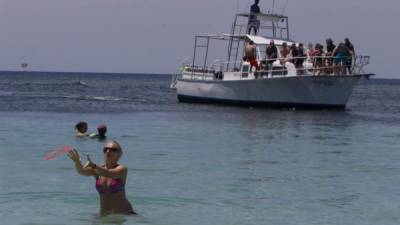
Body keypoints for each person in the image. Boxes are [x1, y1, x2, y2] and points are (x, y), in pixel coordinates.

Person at [67, 140, 136, 216]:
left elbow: (109, 173)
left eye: (113, 149)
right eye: (105, 149)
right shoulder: (98, 169)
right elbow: (81, 171)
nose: (108, 151)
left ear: (119, 154)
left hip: (123, 214)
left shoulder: (122, 169)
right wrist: (77, 162)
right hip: (104, 215)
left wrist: (94, 166)